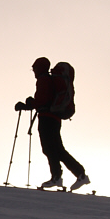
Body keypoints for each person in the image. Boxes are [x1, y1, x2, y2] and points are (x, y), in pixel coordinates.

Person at [16, 57, 90, 191]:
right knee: (57, 150)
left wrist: (29, 104)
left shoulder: (43, 80)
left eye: (34, 68)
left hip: (47, 119)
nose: (33, 71)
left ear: (40, 68)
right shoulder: (49, 79)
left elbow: (42, 101)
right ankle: (76, 174)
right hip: (54, 118)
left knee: (50, 149)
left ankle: (60, 176)